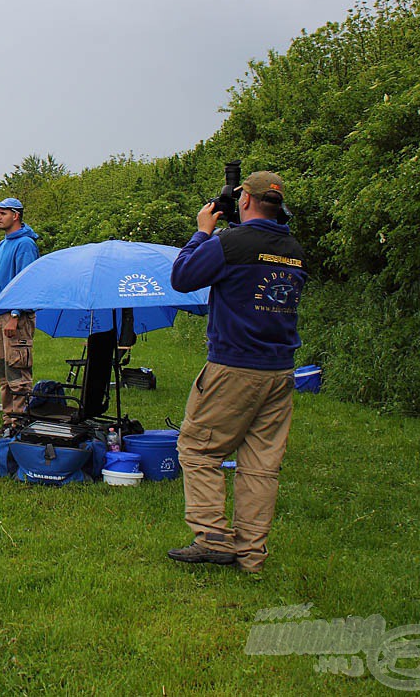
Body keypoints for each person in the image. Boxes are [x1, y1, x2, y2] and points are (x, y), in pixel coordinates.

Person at [168, 171, 307, 574]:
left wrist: (203, 232)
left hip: (234, 367)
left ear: (244, 200)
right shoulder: (295, 249)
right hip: (280, 371)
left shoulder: (229, 243)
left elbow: (182, 277)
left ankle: (212, 536)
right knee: (261, 463)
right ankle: (251, 555)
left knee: (198, 448)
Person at [0, 198, 39, 423]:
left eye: (3, 213)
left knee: (17, 373)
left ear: (16, 215)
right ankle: (8, 421)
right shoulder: (3, 244)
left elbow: (26, 283)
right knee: (3, 373)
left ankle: (21, 421)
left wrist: (15, 315)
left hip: (16, 318)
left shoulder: (25, 244)